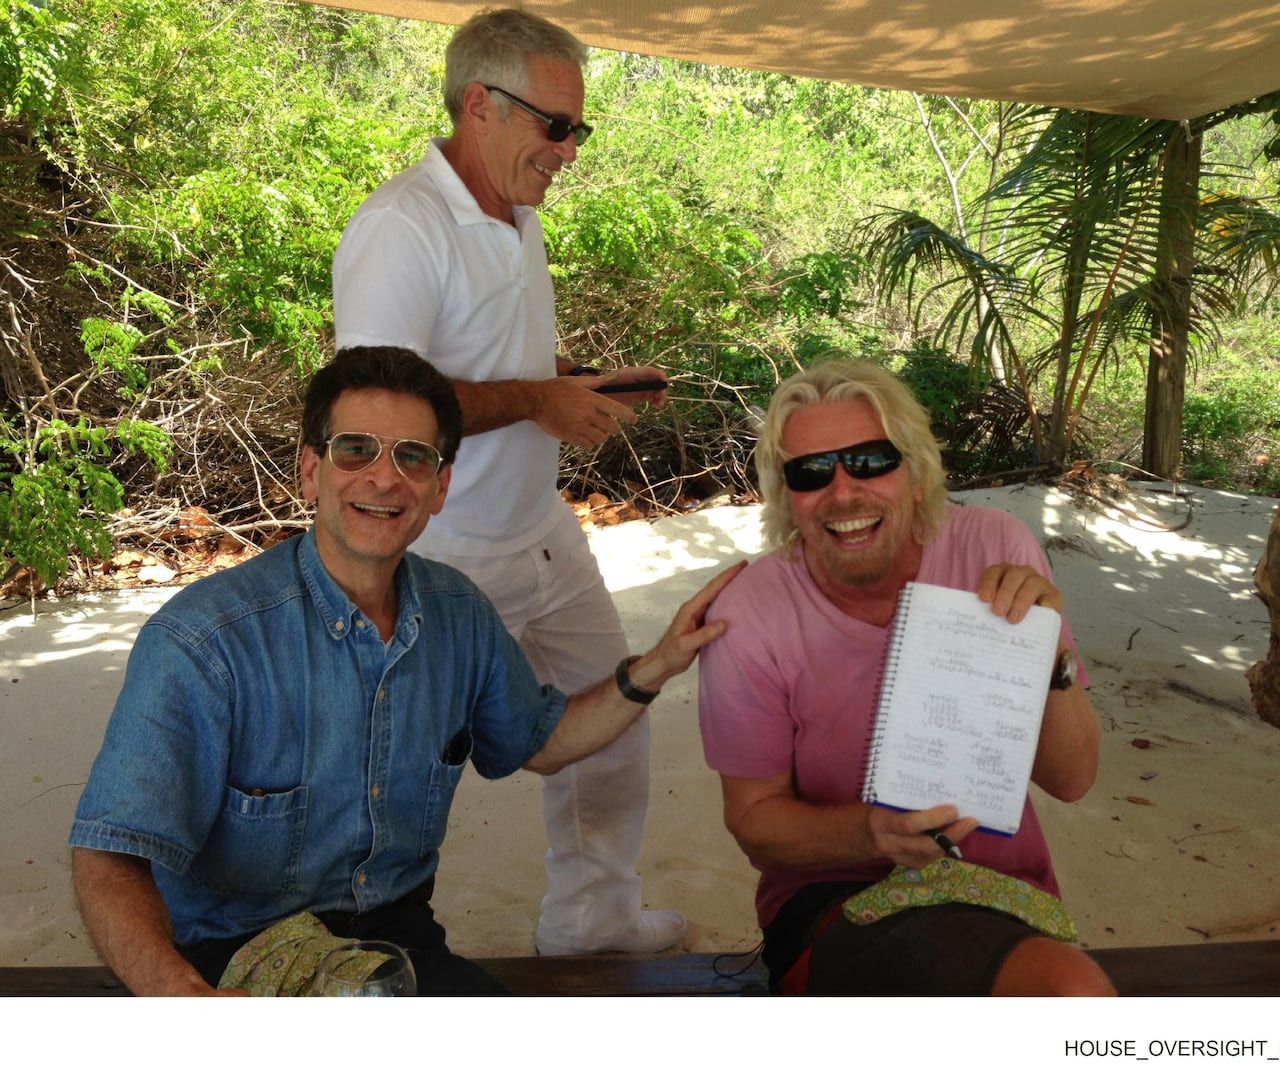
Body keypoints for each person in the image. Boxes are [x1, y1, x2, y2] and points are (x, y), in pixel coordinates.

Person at [68, 346, 741, 996]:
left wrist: (657, 664)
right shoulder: (205, 640)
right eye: (356, 449)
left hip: (397, 944)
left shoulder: (458, 615)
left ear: (440, 486)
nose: (385, 479)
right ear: (311, 471)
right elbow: (109, 851)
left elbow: (541, 741)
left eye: (412, 457)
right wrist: (179, 998)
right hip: (232, 957)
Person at [331, 8, 676, 957]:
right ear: (478, 104)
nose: (568, 150)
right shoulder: (402, 226)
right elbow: (376, 414)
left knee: (616, 721)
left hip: (541, 534)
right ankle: (356, 955)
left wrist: (567, 387)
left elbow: (488, 358)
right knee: (393, 775)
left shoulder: (515, 216)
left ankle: (593, 924)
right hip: (442, 558)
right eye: (554, 125)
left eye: (579, 129)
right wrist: (535, 400)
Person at [696, 358, 1116, 995]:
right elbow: (752, 820)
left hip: (1002, 890)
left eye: (870, 460)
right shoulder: (752, 611)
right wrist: (870, 831)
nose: (843, 492)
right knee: (1067, 994)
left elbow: (1071, 778)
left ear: (915, 473)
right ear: (788, 498)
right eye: (811, 472)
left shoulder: (994, 548)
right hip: (836, 900)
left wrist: (1046, 648)